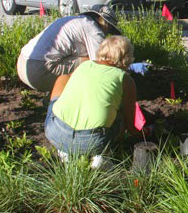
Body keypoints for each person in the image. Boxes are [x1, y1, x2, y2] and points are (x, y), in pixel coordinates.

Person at [44, 35, 140, 164]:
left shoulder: (84, 65)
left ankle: (65, 152)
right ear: (127, 57)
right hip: (94, 142)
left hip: (56, 132)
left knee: (63, 79)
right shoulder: (125, 80)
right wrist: (145, 132)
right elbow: (131, 125)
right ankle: (102, 155)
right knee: (120, 116)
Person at [17, 4, 121, 92]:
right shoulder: (94, 30)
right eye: (110, 30)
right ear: (105, 23)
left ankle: (54, 98)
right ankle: (66, 101)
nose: (107, 34)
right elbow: (101, 65)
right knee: (92, 64)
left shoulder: (73, 20)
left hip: (23, 64)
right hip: (38, 71)